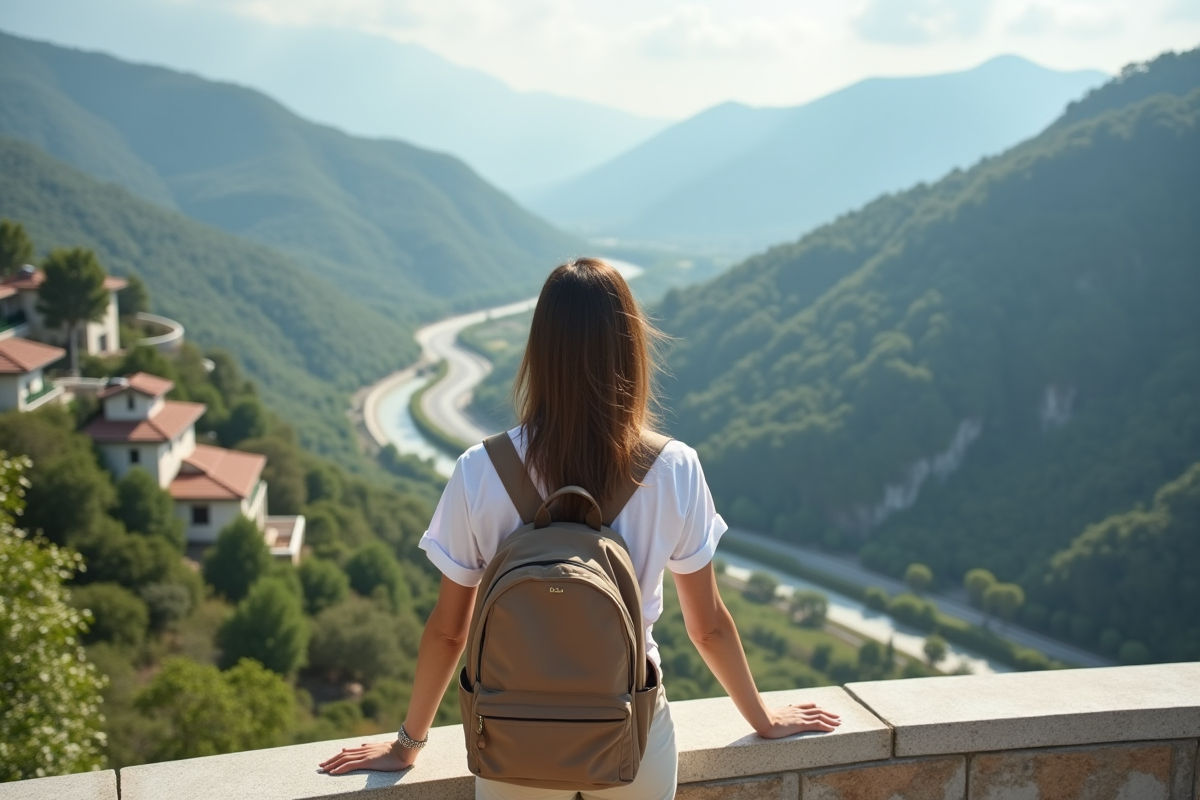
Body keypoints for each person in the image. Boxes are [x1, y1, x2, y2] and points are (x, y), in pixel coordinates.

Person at [319, 258, 841, 797]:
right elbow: (707, 626)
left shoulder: (480, 469)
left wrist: (408, 743)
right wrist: (763, 719)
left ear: (539, 353)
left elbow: (450, 631)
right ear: (630, 349)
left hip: (512, 738)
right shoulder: (674, 467)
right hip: (629, 732)